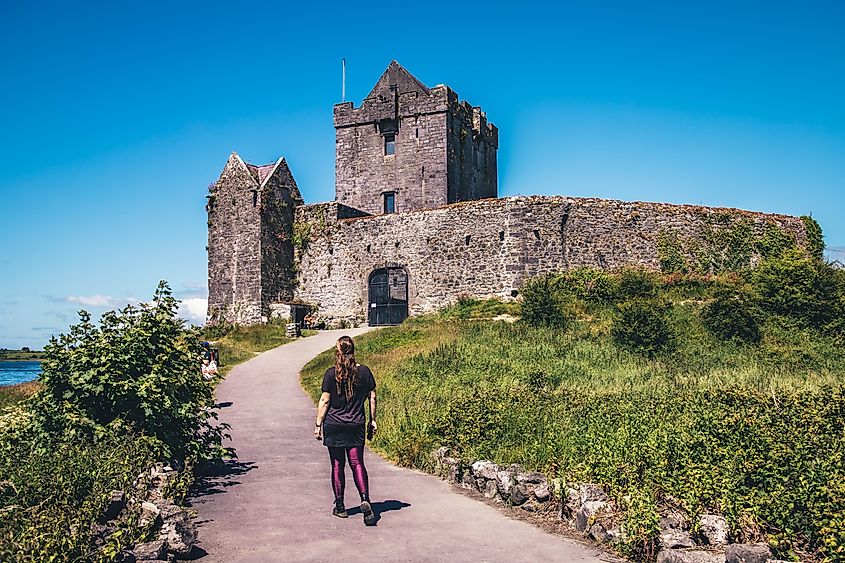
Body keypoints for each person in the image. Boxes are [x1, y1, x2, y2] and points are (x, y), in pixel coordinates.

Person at [314, 335, 377, 525]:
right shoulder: (364, 372)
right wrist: (372, 421)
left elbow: (325, 401)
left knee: (337, 464)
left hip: (334, 424)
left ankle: (340, 506)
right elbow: (372, 398)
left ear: (338, 352)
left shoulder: (331, 374)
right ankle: (364, 498)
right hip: (356, 424)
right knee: (357, 463)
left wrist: (318, 424)